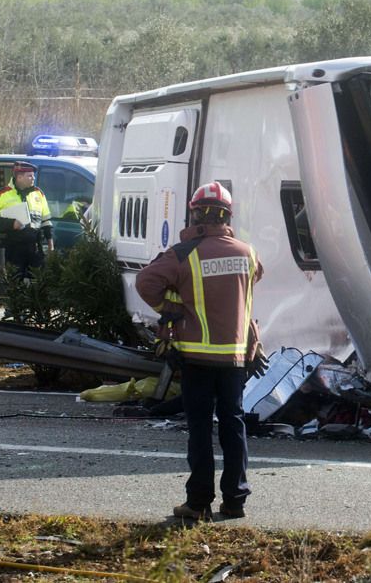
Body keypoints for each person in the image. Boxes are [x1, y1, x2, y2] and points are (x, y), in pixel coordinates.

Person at [135, 181, 263, 522]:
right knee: (233, 425)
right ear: (227, 216)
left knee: (201, 429)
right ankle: (235, 501)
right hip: (235, 356)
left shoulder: (184, 253)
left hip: (196, 357)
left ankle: (198, 502)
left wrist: (172, 307)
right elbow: (252, 282)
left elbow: (145, 282)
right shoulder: (247, 253)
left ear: (196, 213)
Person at [0, 161, 54, 279]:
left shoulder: (39, 194)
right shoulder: (1, 194)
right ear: (19, 177)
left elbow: (46, 222)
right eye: (30, 176)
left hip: (35, 247)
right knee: (15, 283)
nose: (33, 178)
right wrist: (12, 224)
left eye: (33, 175)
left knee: (38, 283)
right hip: (14, 248)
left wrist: (50, 244)